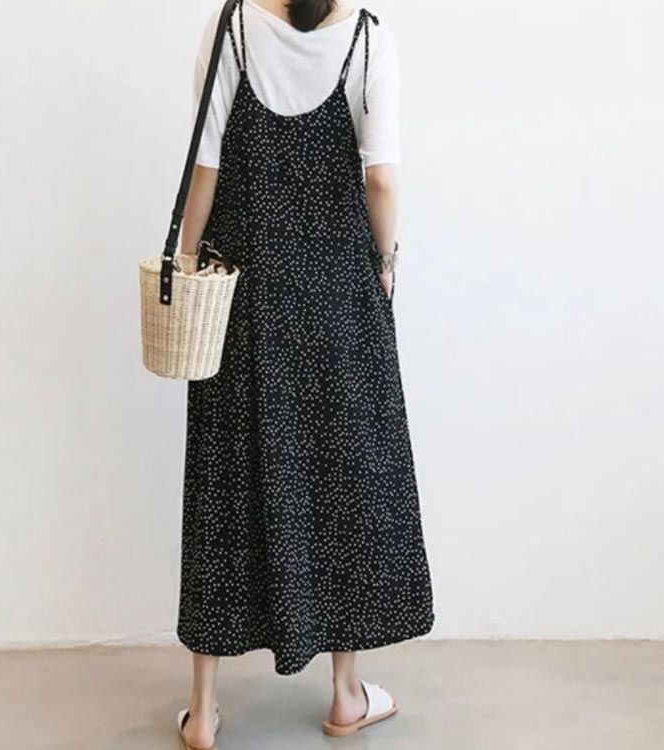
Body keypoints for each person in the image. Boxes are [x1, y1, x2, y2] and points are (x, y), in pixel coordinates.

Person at [175, 1, 435, 747]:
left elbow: (204, 165)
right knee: (343, 478)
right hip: (338, 295)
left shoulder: (230, 26)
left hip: (242, 295)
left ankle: (203, 709)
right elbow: (380, 180)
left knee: (224, 482)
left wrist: (187, 263)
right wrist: (386, 262)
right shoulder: (367, 39)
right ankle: (347, 694)